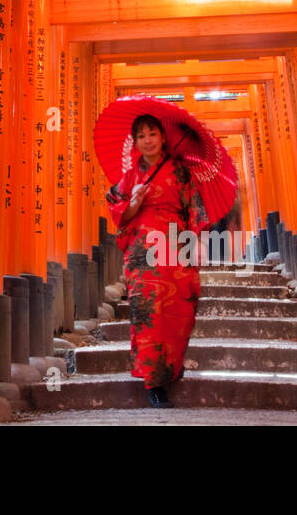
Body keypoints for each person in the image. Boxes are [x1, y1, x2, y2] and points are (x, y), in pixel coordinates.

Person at [106, 114, 211, 408]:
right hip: (143, 253)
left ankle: (172, 366)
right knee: (148, 313)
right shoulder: (130, 177)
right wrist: (134, 203)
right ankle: (154, 382)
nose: (147, 140)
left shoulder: (181, 171)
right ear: (136, 143)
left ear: (163, 137)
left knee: (181, 310)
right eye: (141, 136)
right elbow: (118, 211)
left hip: (176, 247)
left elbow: (196, 210)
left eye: (152, 133)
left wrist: (197, 244)